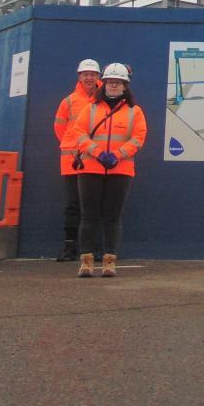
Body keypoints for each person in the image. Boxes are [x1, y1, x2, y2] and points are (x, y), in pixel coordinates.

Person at [67, 62, 146, 278]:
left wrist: (118, 154)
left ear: (125, 86)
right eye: (111, 82)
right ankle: (86, 262)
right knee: (89, 216)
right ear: (105, 83)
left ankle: (110, 261)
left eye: (118, 83)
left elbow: (139, 138)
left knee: (113, 217)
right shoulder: (90, 108)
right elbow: (79, 133)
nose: (114, 85)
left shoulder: (134, 111)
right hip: (90, 168)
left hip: (120, 170)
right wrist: (97, 153)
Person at [53, 59, 101, 262]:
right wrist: (75, 148)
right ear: (79, 76)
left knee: (93, 205)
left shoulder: (105, 100)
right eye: (85, 74)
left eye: (92, 74)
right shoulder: (69, 101)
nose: (89, 78)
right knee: (73, 205)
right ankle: (69, 247)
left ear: (98, 77)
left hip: (96, 160)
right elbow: (59, 129)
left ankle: (91, 249)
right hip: (73, 161)